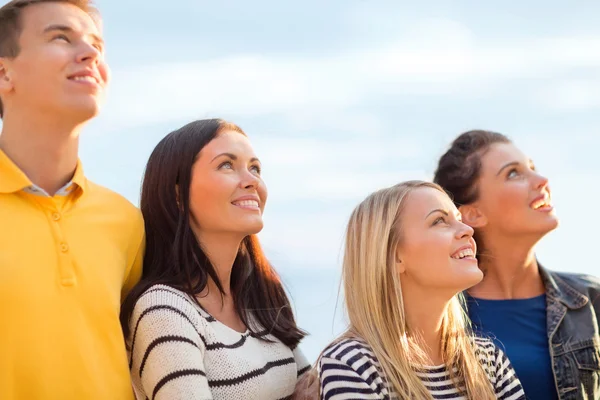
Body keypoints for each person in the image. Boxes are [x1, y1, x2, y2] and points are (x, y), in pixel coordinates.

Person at [0, 1, 144, 399]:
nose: (91, 53)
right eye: (61, 37)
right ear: (3, 73)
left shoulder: (126, 222)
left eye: (97, 44)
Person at [120, 119, 310, 400]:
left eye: (255, 168)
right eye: (227, 165)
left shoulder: (261, 292)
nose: (251, 181)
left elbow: (312, 389)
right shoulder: (163, 310)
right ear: (177, 195)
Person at [318, 181, 526, 400]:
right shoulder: (352, 364)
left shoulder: (488, 359)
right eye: (439, 221)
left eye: (459, 219)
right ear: (394, 257)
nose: (467, 230)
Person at [434, 130, 600, 400]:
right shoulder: (437, 317)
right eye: (513, 173)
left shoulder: (590, 300)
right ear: (472, 214)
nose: (542, 180)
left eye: (532, 168)